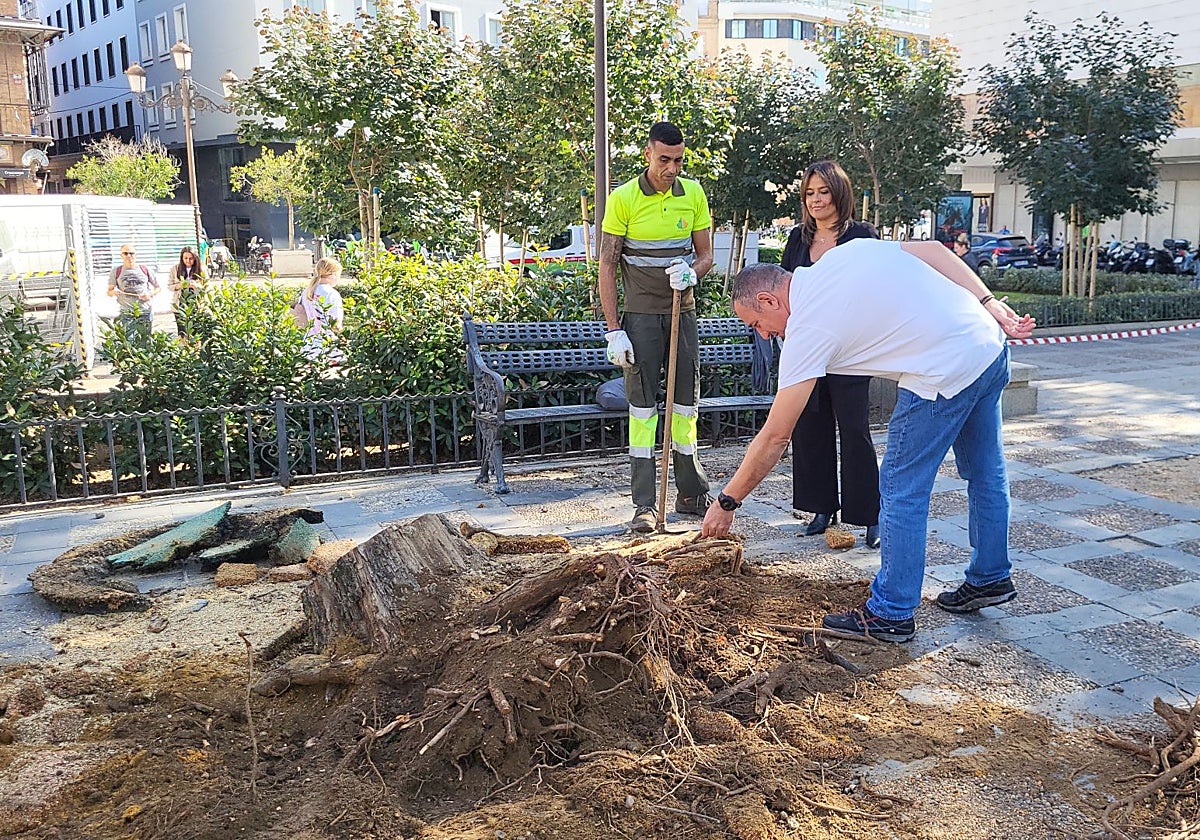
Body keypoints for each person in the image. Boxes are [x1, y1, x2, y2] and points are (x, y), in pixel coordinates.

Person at [700, 239, 1036, 642]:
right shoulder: (843, 255)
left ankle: (891, 612)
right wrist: (987, 300)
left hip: (942, 371)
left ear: (769, 300)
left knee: (899, 488)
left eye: (756, 324)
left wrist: (727, 501)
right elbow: (931, 248)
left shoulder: (808, 327)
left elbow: (775, 436)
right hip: (988, 345)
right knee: (985, 472)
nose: (765, 336)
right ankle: (990, 577)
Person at [599, 121, 715, 533]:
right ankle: (644, 505)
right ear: (647, 153)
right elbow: (608, 266)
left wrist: (693, 273)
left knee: (685, 407)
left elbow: (706, 255)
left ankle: (691, 492)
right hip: (642, 318)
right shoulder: (624, 199)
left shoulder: (693, 194)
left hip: (682, 314)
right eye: (664, 159)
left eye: (678, 160)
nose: (671, 168)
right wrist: (614, 329)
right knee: (643, 411)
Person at [779, 161, 880, 549]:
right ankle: (821, 507)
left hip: (849, 351)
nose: (817, 199)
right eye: (809, 193)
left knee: (855, 431)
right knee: (810, 428)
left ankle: (868, 514)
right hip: (806, 349)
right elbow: (786, 290)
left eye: (823, 191)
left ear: (839, 192)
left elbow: (872, 288)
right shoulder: (797, 238)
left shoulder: (861, 235)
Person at [299, 256, 345, 363]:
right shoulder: (332, 293)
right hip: (329, 347)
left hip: (308, 345)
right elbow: (336, 322)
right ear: (332, 275)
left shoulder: (307, 291)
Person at [106, 243, 159, 334]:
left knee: (145, 340)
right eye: (125, 253)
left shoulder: (144, 269)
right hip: (127, 312)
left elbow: (157, 288)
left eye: (131, 253)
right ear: (121, 255)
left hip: (144, 311)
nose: (129, 256)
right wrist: (114, 292)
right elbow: (109, 291)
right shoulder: (116, 271)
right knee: (129, 342)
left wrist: (149, 294)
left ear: (136, 255)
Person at [169, 246, 205, 337]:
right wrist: (181, 285)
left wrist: (196, 286)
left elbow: (206, 286)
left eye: (190, 258)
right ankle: (184, 348)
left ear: (195, 258)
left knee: (196, 330)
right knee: (182, 331)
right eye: (185, 258)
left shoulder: (201, 269)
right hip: (180, 302)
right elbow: (170, 286)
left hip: (195, 303)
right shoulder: (175, 269)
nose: (188, 261)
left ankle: (196, 348)